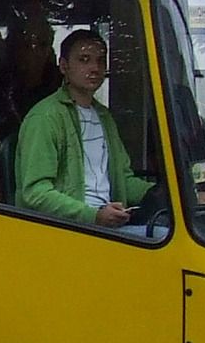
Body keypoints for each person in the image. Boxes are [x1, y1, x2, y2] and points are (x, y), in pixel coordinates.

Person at [14, 27, 151, 227]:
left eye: (100, 61)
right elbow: (35, 193)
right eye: (84, 60)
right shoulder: (45, 117)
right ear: (63, 66)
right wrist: (93, 215)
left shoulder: (104, 116)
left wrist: (171, 195)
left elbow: (124, 181)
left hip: (111, 224)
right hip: (71, 231)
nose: (95, 68)